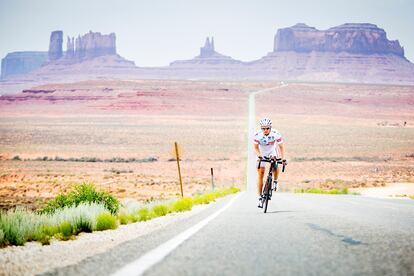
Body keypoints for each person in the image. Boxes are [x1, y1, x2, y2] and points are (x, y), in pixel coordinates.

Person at [253, 118, 286, 208]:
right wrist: (259, 156)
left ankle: (275, 181)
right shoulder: (257, 135)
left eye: (267, 128)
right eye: (263, 128)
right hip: (261, 152)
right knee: (261, 173)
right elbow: (255, 148)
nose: (265, 130)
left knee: (275, 161)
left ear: (270, 128)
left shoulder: (276, 134)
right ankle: (260, 197)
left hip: (272, 151)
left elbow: (281, 147)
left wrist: (283, 159)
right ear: (261, 128)